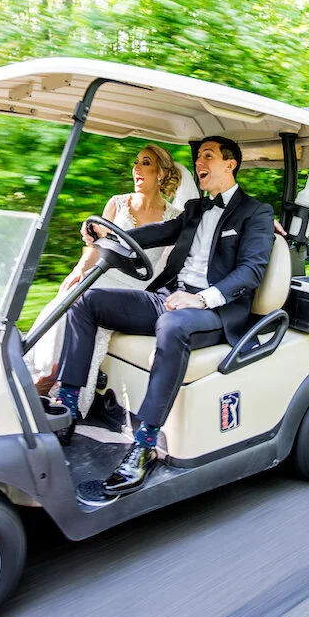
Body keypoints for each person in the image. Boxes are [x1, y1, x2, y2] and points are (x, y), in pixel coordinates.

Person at [51, 136, 275, 497]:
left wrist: (199, 300)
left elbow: (251, 272)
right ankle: (69, 405)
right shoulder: (196, 209)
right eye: (198, 155)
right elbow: (156, 232)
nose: (199, 162)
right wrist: (108, 235)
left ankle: (144, 444)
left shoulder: (256, 212)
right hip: (171, 297)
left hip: (213, 310)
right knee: (86, 300)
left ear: (230, 165)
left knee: (171, 325)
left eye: (208, 156)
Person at [26, 144, 194, 416]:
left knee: (84, 305)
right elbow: (96, 245)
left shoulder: (174, 218)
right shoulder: (117, 203)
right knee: (71, 296)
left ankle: (52, 389)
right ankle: (46, 379)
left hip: (136, 286)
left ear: (161, 174)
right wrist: (78, 271)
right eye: (136, 162)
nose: (136, 168)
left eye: (146, 163)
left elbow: (169, 266)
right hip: (103, 274)